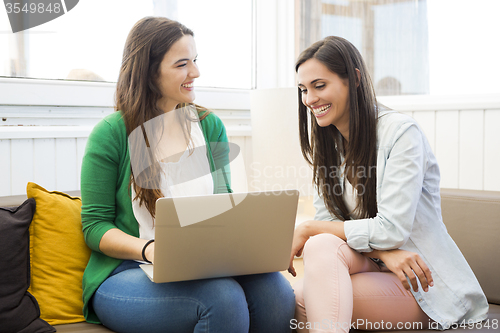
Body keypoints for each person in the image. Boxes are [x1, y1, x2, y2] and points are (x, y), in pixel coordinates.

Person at [80, 17, 295, 333]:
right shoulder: (111, 134)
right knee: (222, 299)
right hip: (128, 271)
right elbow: (95, 226)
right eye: (182, 64)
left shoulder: (209, 126)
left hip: (201, 265)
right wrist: (149, 249)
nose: (195, 72)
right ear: (149, 71)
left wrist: (259, 252)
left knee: (275, 292)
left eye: (195, 61)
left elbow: (225, 207)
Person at [288, 36, 489, 333]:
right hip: (377, 265)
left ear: (354, 79)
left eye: (319, 86)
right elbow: (329, 222)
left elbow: (391, 230)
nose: (309, 99)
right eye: (303, 90)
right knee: (320, 246)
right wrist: (383, 253)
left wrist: (305, 229)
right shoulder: (327, 145)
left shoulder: (401, 134)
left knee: (305, 294)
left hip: (423, 285)